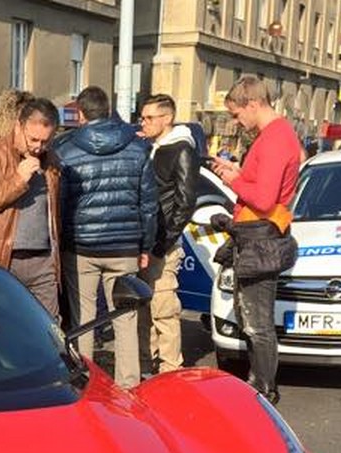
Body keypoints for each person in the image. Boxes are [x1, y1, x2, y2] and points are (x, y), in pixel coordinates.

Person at [51, 85, 158, 387]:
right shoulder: (138, 148)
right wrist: (145, 246)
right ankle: (128, 385)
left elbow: (61, 204)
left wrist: (62, 241)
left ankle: (86, 381)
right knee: (125, 318)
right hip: (125, 246)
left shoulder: (65, 150)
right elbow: (148, 204)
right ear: (108, 110)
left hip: (81, 245)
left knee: (84, 317)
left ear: (81, 114)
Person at [209, 76, 302, 404]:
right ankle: (260, 384)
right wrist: (237, 172)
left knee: (256, 321)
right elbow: (263, 187)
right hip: (258, 234)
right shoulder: (275, 136)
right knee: (252, 318)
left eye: (236, 115)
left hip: (260, 236)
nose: (237, 122)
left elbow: (263, 199)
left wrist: (232, 180)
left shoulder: (275, 139)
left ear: (253, 104)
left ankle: (263, 389)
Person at [0, 97, 63, 318]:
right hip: (2, 260)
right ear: (18, 126)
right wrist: (17, 181)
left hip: (43, 263)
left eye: (45, 141)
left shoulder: (51, 160)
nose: (38, 147)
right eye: (33, 139)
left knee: (48, 330)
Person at [137, 94, 201, 376]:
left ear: (168, 118)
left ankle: (170, 368)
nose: (144, 122)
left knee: (164, 308)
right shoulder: (152, 147)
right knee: (144, 306)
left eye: (149, 118)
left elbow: (185, 203)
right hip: (146, 240)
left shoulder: (181, 149)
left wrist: (164, 242)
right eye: (142, 117)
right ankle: (146, 363)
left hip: (163, 243)